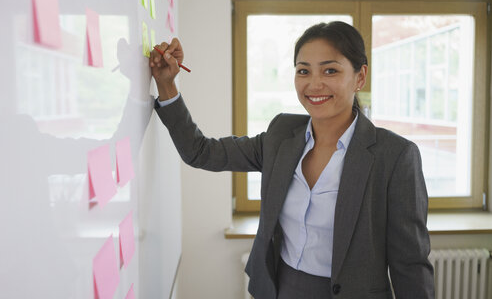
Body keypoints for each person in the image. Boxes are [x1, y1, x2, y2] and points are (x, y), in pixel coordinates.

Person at [148, 21, 435, 299]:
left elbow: (410, 264)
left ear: (360, 77)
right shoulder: (281, 135)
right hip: (281, 289)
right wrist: (167, 85)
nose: (314, 84)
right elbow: (200, 152)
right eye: (303, 71)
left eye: (330, 70)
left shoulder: (394, 156)